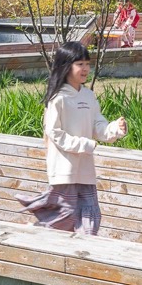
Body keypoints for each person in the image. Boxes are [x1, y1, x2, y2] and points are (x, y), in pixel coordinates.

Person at [19, 41, 127, 234]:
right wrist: (84, 144)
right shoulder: (57, 99)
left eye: (87, 63)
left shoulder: (88, 96)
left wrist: (114, 130)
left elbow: (97, 126)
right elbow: (55, 132)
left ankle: (83, 254)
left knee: (91, 216)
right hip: (64, 168)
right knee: (66, 214)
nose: (85, 69)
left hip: (85, 170)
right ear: (66, 66)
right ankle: (36, 231)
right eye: (80, 64)